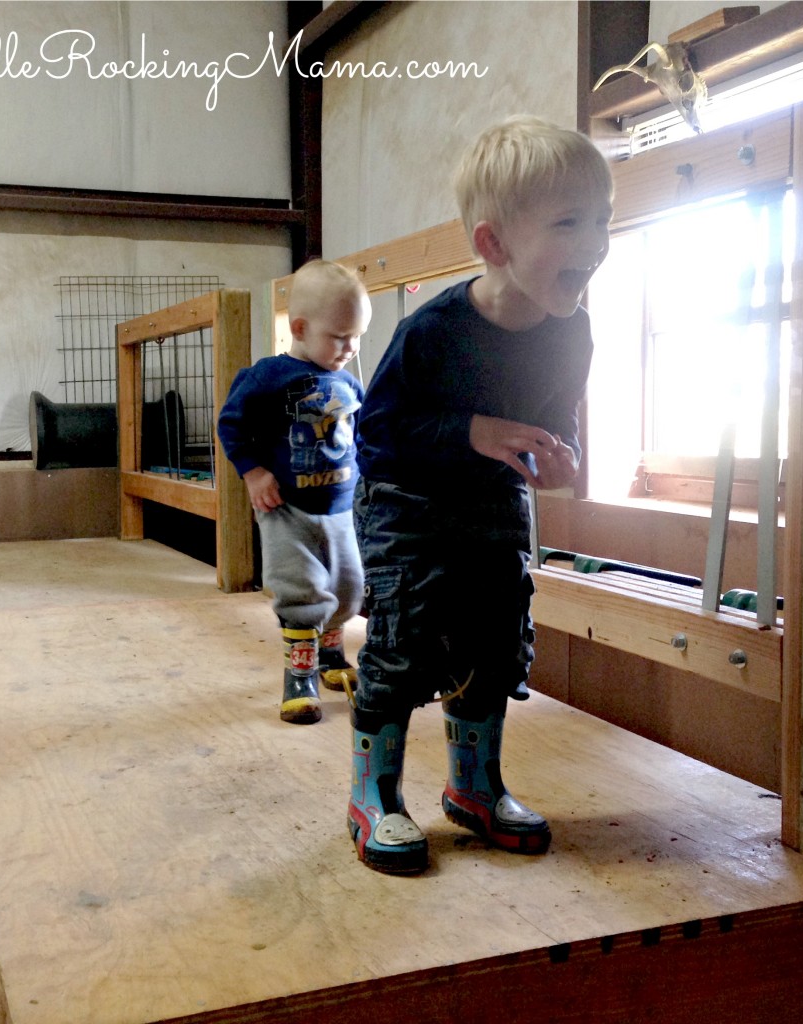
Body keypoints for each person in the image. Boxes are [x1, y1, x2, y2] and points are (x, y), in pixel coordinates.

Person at [347, 116, 613, 874]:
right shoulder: (434, 331)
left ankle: (473, 788)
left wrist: (562, 460)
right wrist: (473, 431)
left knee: (497, 644)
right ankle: (374, 795)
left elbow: (555, 422)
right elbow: (378, 437)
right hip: (408, 502)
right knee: (404, 646)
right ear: (494, 245)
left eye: (604, 219)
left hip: (494, 503)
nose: (595, 240)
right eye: (570, 222)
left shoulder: (573, 333)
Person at [218, 259, 371, 725]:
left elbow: (360, 438)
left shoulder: (347, 383)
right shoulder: (267, 377)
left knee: (348, 590)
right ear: (300, 327)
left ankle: (330, 656)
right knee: (301, 592)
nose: (349, 347)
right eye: (339, 336)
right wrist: (252, 472)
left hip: (340, 508)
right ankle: (298, 678)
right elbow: (231, 424)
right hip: (286, 508)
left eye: (357, 336)